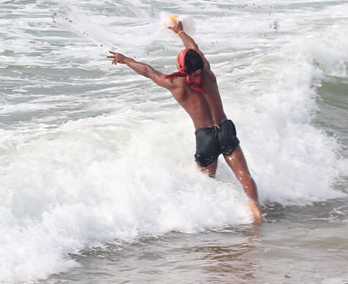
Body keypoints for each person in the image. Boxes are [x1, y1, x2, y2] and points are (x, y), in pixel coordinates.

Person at [106, 19, 262, 224]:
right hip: (225, 129)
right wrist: (180, 33)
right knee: (244, 174)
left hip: (205, 137)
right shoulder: (207, 71)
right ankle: (255, 211)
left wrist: (126, 60)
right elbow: (193, 48)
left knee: (206, 180)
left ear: (181, 66)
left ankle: (213, 218)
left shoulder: (175, 84)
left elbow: (148, 71)